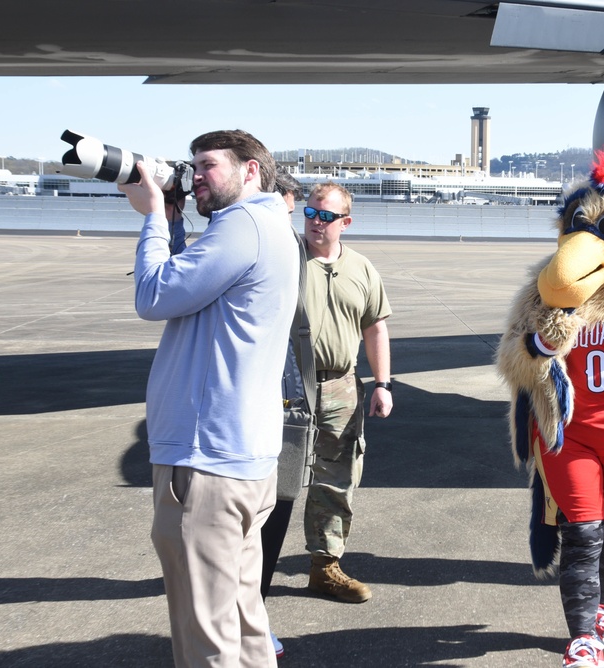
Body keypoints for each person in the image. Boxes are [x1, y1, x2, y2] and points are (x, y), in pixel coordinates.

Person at [119, 129, 299, 667]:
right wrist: (173, 224)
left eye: (209, 165)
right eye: (192, 166)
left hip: (206, 464)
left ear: (250, 171)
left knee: (206, 636)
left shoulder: (242, 225)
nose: (196, 175)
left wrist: (154, 215)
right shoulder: (270, 227)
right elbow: (188, 292)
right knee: (243, 626)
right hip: (241, 458)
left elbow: (154, 296)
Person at [300, 181, 393, 604]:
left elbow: (375, 327)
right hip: (286, 386)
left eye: (326, 216)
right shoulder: (285, 258)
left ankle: (325, 567)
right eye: (310, 212)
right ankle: (245, 570)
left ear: (345, 222)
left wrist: (382, 383)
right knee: (267, 479)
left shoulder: (362, 268)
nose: (316, 222)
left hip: (341, 385)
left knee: (336, 480)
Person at [260, 165, 306, 660]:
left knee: (277, 509)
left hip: (288, 399)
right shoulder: (255, 241)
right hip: (271, 399)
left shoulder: (283, 243)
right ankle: (247, 619)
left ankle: (251, 614)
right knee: (257, 521)